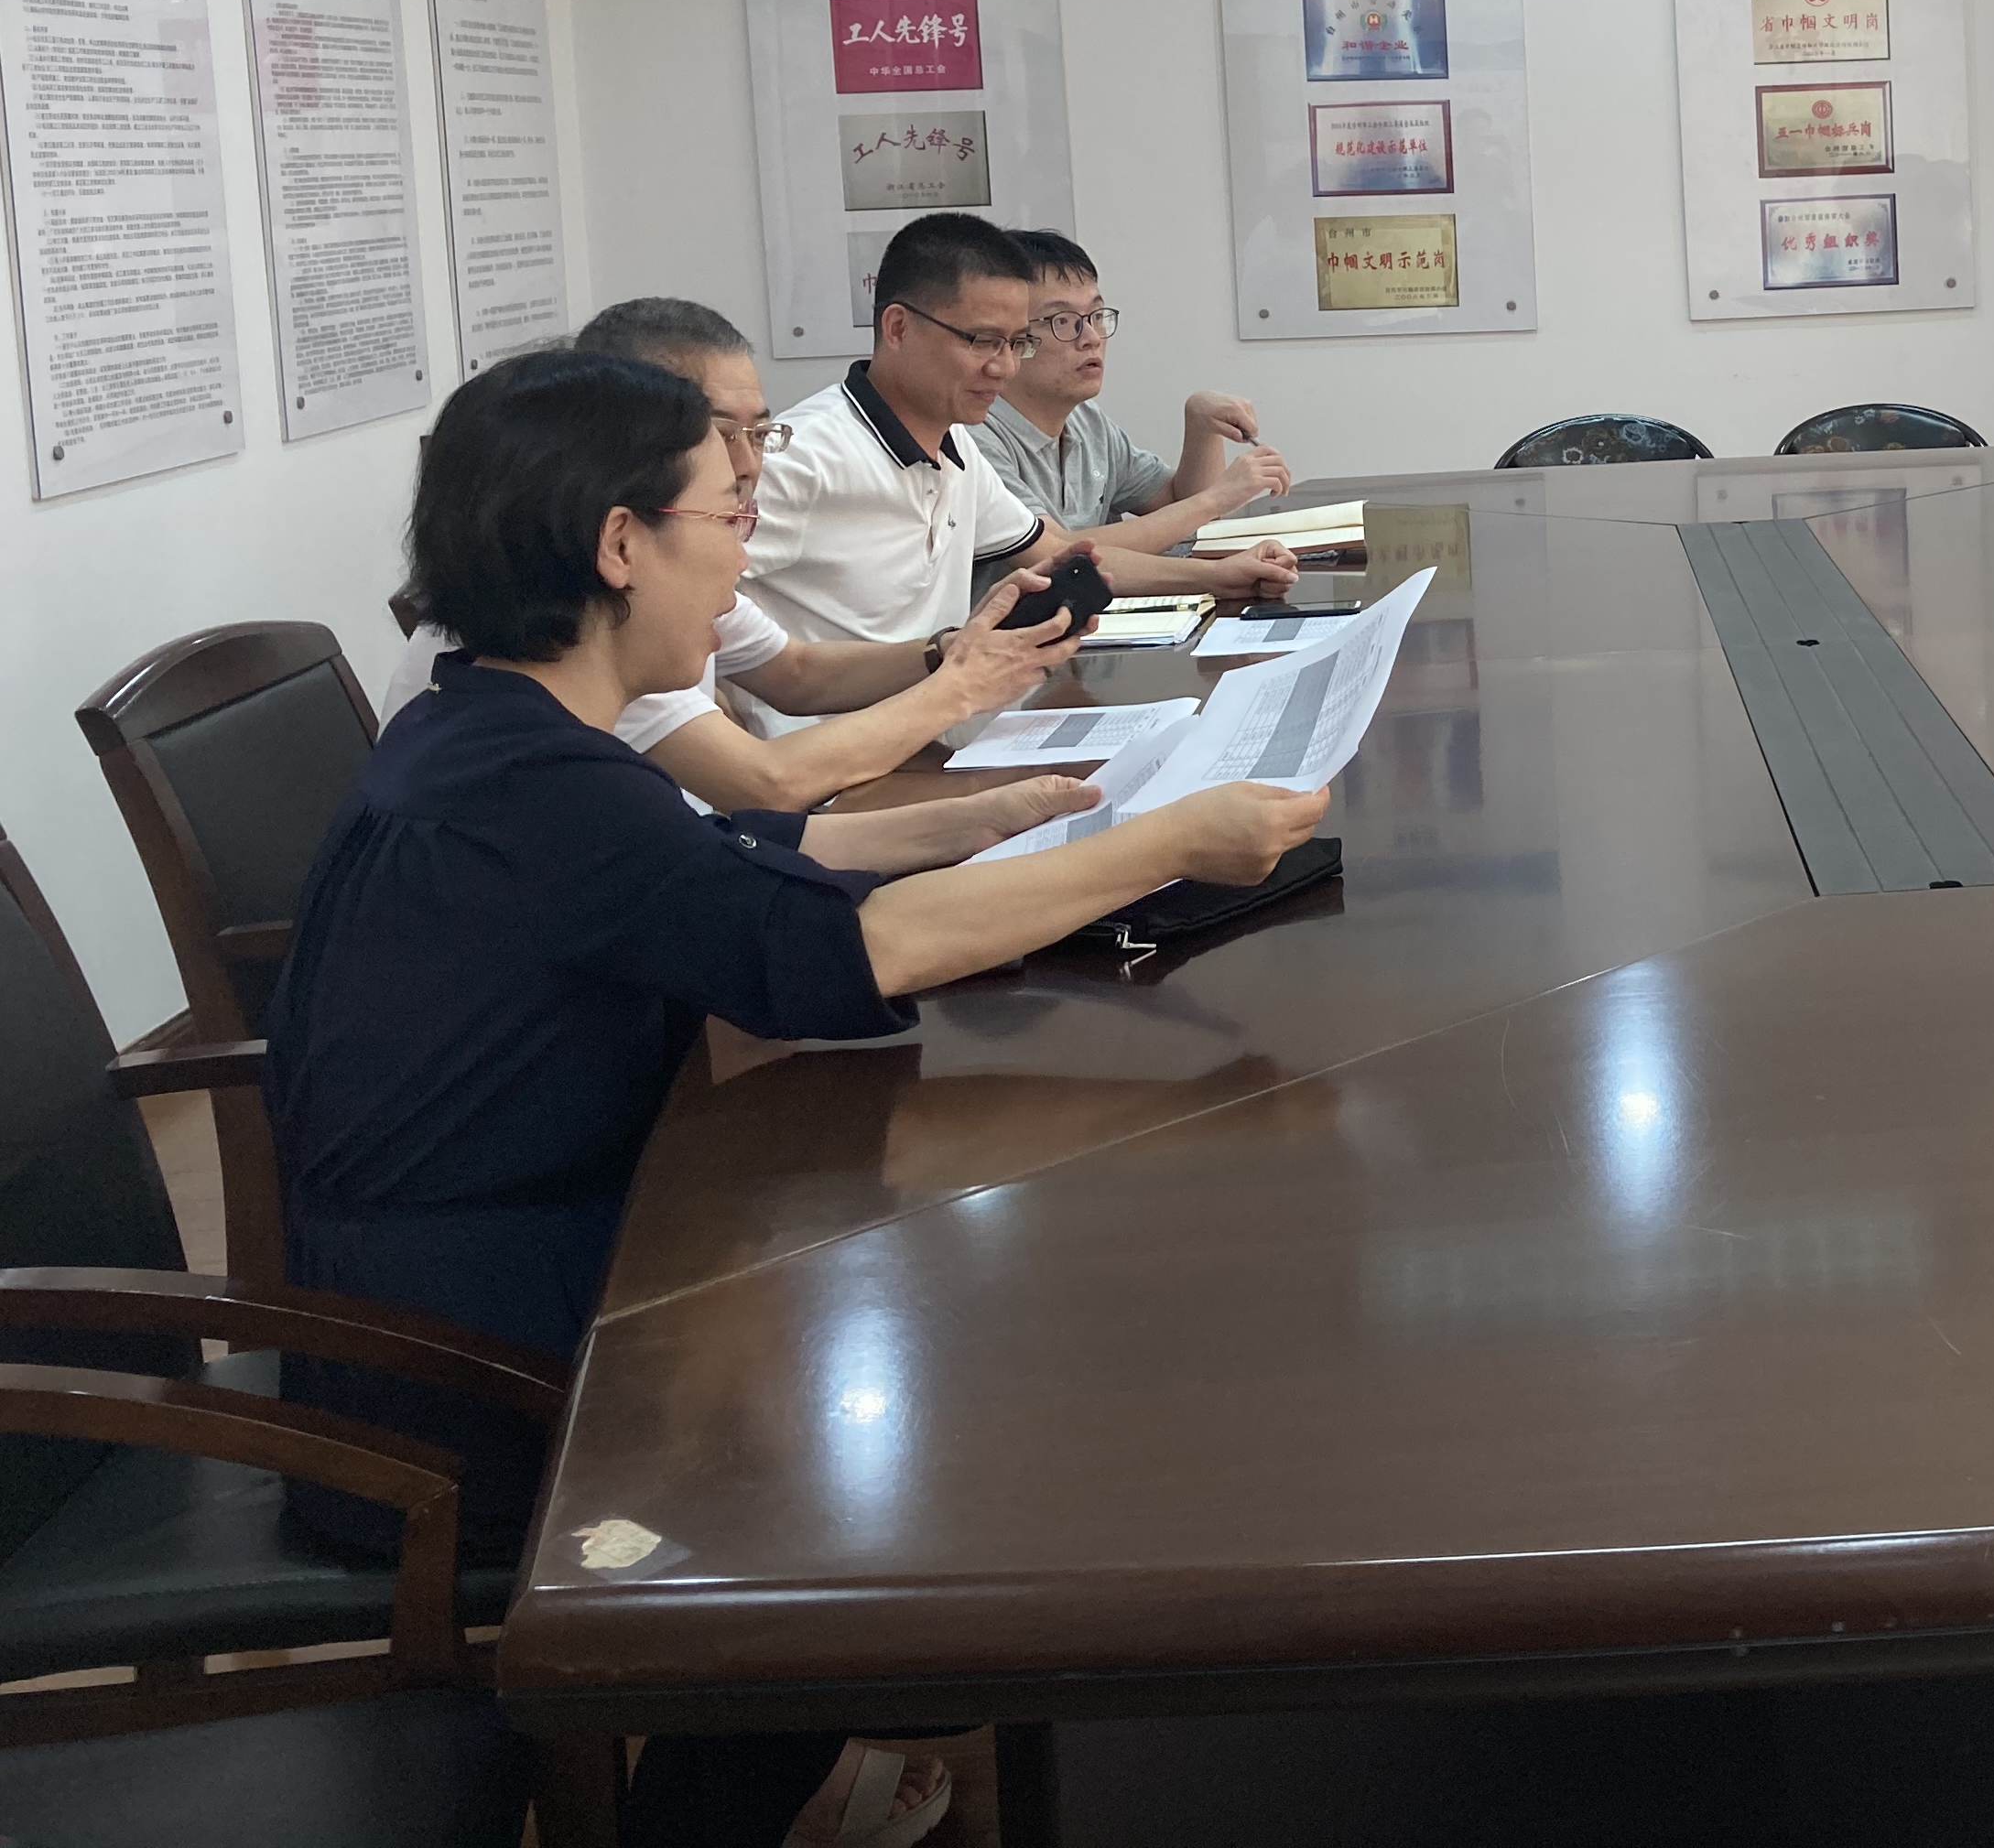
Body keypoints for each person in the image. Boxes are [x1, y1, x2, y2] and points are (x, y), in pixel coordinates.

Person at [270, 350, 1326, 1846]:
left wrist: (985, 819)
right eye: (726, 512)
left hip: (487, 1271)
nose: (742, 553)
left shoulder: (487, 728)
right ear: (618, 543)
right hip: (472, 1379)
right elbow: (845, 951)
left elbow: (722, 868)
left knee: (895, 1326)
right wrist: (1164, 844)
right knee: (875, 1469)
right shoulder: (539, 785)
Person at [384, 297, 1085, 811]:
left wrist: (954, 650)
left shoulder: (665, 562)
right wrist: (959, 687)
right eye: (719, 435)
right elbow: (764, 785)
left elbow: (795, 672)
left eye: (759, 432)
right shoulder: (570, 619)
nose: (747, 465)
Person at [744, 213, 1294, 657]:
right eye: (984, 341)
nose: (1004, 367)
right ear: (898, 328)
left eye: (1016, 345)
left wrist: (1225, 578)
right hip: (846, 741)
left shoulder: (956, 447)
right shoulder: (800, 456)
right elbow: (704, 611)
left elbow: (1056, 554)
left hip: (941, 714)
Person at [970, 228, 1293, 558]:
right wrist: (1218, 498)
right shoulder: (975, 437)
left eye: (1096, 316)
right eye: (1063, 321)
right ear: (1011, 335)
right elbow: (1055, 553)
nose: (1092, 337)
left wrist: (1202, 427)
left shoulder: (1086, 420)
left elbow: (1180, 510)